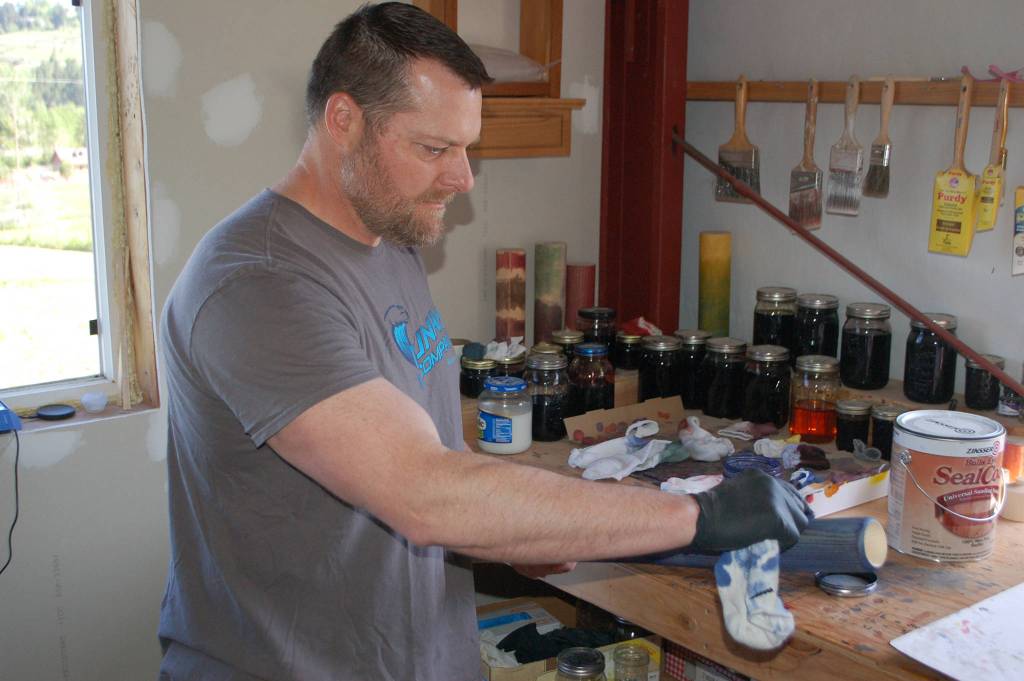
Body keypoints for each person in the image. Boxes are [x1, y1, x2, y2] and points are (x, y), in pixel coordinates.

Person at [157, 4, 812, 680]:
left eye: (467, 147)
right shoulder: (255, 283)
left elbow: (438, 446)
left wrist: (512, 536)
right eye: (434, 149)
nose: (463, 179)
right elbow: (424, 489)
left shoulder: (388, 238)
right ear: (343, 121)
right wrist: (694, 516)